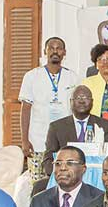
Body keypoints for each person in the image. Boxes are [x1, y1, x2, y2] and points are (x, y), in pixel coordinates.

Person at [19, 37, 80, 182]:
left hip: (65, 142)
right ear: (45, 51)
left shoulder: (72, 77)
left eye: (58, 48)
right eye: (51, 48)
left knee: (65, 182)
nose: (55, 51)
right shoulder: (32, 76)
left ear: (64, 52)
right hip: (38, 141)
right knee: (38, 185)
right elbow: (25, 109)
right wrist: (24, 140)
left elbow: (78, 110)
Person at [36, 86, 108, 194]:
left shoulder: (104, 125)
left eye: (86, 97)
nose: (82, 101)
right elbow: (48, 159)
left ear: (92, 102)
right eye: (78, 98)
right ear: (71, 102)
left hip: (97, 178)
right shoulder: (56, 127)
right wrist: (62, 173)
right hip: (66, 178)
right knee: (38, 187)